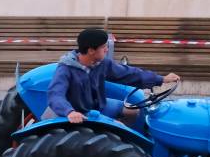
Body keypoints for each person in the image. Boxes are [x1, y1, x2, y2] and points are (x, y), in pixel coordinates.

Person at [47, 28, 179, 125]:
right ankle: (114, 139)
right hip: (80, 112)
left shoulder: (101, 63)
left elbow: (130, 74)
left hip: (99, 105)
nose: (106, 50)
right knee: (120, 128)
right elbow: (55, 95)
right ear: (91, 50)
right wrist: (69, 111)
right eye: (103, 47)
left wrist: (161, 79)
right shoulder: (66, 69)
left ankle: (119, 137)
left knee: (133, 111)